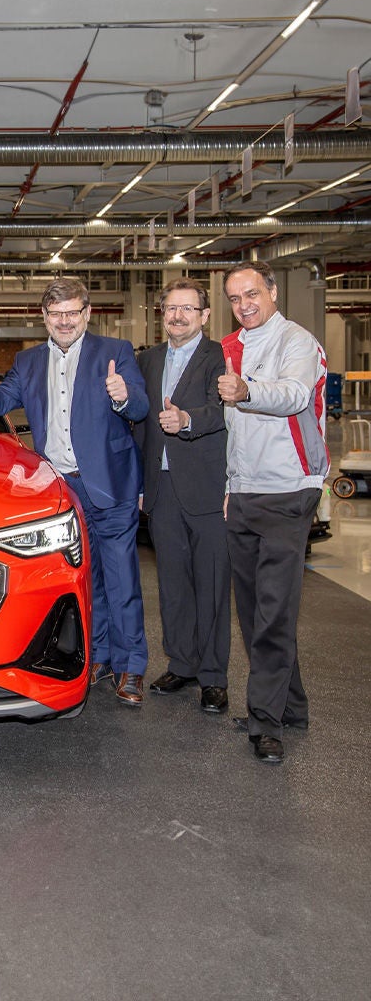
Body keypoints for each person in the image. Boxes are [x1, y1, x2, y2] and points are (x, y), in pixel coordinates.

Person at [0, 278, 151, 705]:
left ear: (87, 313)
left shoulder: (115, 353)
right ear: (44, 317)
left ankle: (131, 667)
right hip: (61, 491)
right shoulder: (28, 361)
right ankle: (100, 655)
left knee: (122, 579)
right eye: (56, 314)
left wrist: (123, 397)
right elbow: (0, 401)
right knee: (85, 580)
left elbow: (140, 407)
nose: (64, 321)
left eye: (72, 312)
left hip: (110, 484)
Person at [217, 261, 328, 764]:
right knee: (255, 610)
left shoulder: (297, 342)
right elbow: (232, 432)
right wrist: (229, 485)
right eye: (236, 298)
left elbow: (295, 395)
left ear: (273, 292)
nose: (245, 305)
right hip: (243, 493)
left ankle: (265, 721)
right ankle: (291, 708)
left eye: (252, 294)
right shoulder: (229, 346)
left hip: (289, 491)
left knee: (274, 613)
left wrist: (248, 391)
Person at [136, 279, 230, 714]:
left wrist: (187, 419)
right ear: (162, 314)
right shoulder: (149, 360)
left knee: (210, 584)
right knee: (172, 583)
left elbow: (221, 409)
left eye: (188, 309)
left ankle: (213, 675)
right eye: (171, 308)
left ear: (205, 315)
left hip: (208, 486)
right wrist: (139, 484)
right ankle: (182, 663)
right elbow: (139, 425)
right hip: (162, 488)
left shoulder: (221, 356)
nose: (178, 316)